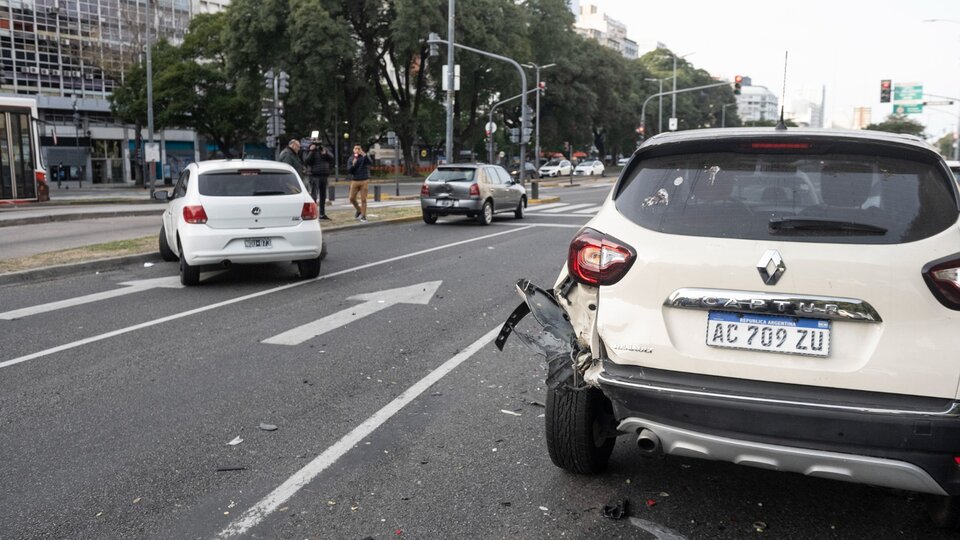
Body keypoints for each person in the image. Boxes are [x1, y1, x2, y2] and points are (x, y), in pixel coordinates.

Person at [304, 142, 334, 219]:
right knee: (314, 196)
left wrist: (325, 153)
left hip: (324, 175)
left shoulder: (324, 149)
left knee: (323, 196)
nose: (318, 146)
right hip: (315, 176)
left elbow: (331, 157)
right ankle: (312, 213)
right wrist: (311, 151)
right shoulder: (310, 151)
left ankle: (322, 213)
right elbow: (307, 161)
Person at [347, 144, 372, 223]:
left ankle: (363, 216)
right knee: (351, 198)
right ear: (353, 150)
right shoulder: (351, 158)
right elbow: (349, 170)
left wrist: (364, 154)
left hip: (364, 180)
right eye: (356, 148)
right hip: (355, 180)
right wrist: (353, 165)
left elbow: (370, 162)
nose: (357, 150)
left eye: (359, 148)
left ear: (361, 150)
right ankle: (359, 210)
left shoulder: (364, 157)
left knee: (363, 199)